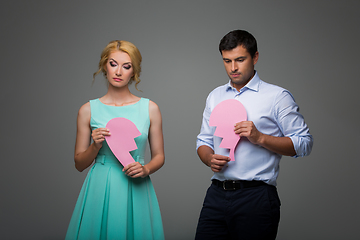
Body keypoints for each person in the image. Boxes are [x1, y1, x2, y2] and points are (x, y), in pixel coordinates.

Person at [195, 30, 313, 240]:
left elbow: (304, 143)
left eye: (240, 60)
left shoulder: (277, 97)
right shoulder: (215, 96)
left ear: (255, 57)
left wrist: (260, 138)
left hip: (256, 197)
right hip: (216, 194)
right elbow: (203, 140)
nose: (233, 68)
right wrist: (208, 158)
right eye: (227, 61)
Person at [65, 40, 165, 240]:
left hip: (136, 185)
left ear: (134, 72)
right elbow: (79, 164)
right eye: (113, 64)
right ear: (104, 66)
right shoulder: (87, 110)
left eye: (126, 66)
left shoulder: (150, 108)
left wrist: (146, 169)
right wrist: (95, 146)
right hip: (100, 186)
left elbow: (159, 156)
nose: (118, 72)